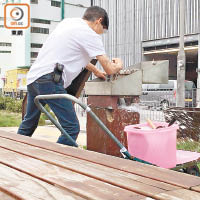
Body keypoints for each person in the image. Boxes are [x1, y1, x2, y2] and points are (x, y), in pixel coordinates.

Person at [17, 6, 123, 146]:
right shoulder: (91, 35)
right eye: (102, 30)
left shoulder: (67, 23)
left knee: (29, 123)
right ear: (99, 21)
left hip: (34, 78)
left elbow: (68, 53)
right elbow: (110, 69)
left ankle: (10, 155)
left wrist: (96, 71)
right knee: (71, 128)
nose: (101, 34)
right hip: (50, 80)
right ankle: (55, 162)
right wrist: (119, 65)